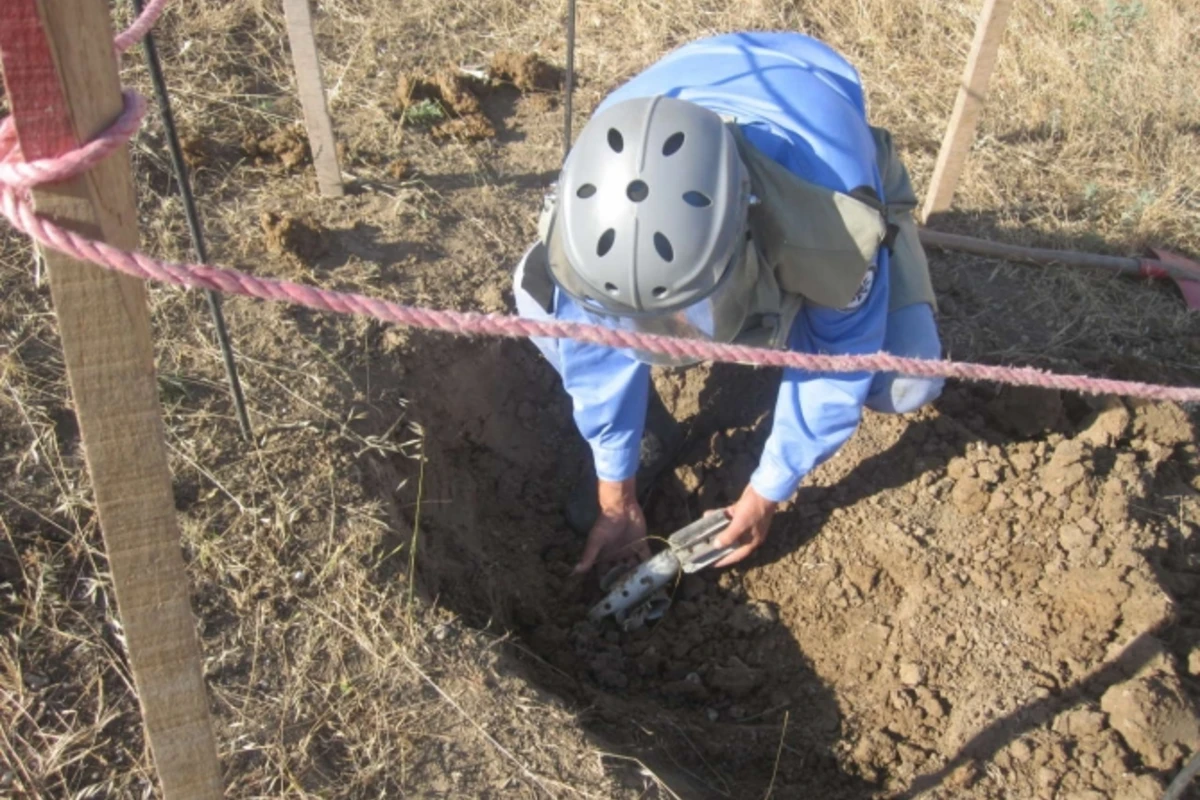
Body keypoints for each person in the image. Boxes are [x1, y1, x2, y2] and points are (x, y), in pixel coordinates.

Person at [512, 32, 944, 576]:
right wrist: (615, 492)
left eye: (690, 312)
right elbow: (593, 353)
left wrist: (768, 490)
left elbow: (838, 361)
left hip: (813, 99)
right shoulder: (584, 235)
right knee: (534, 296)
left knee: (908, 382)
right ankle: (650, 426)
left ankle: (890, 218)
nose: (674, 333)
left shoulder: (830, 228)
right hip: (689, 76)